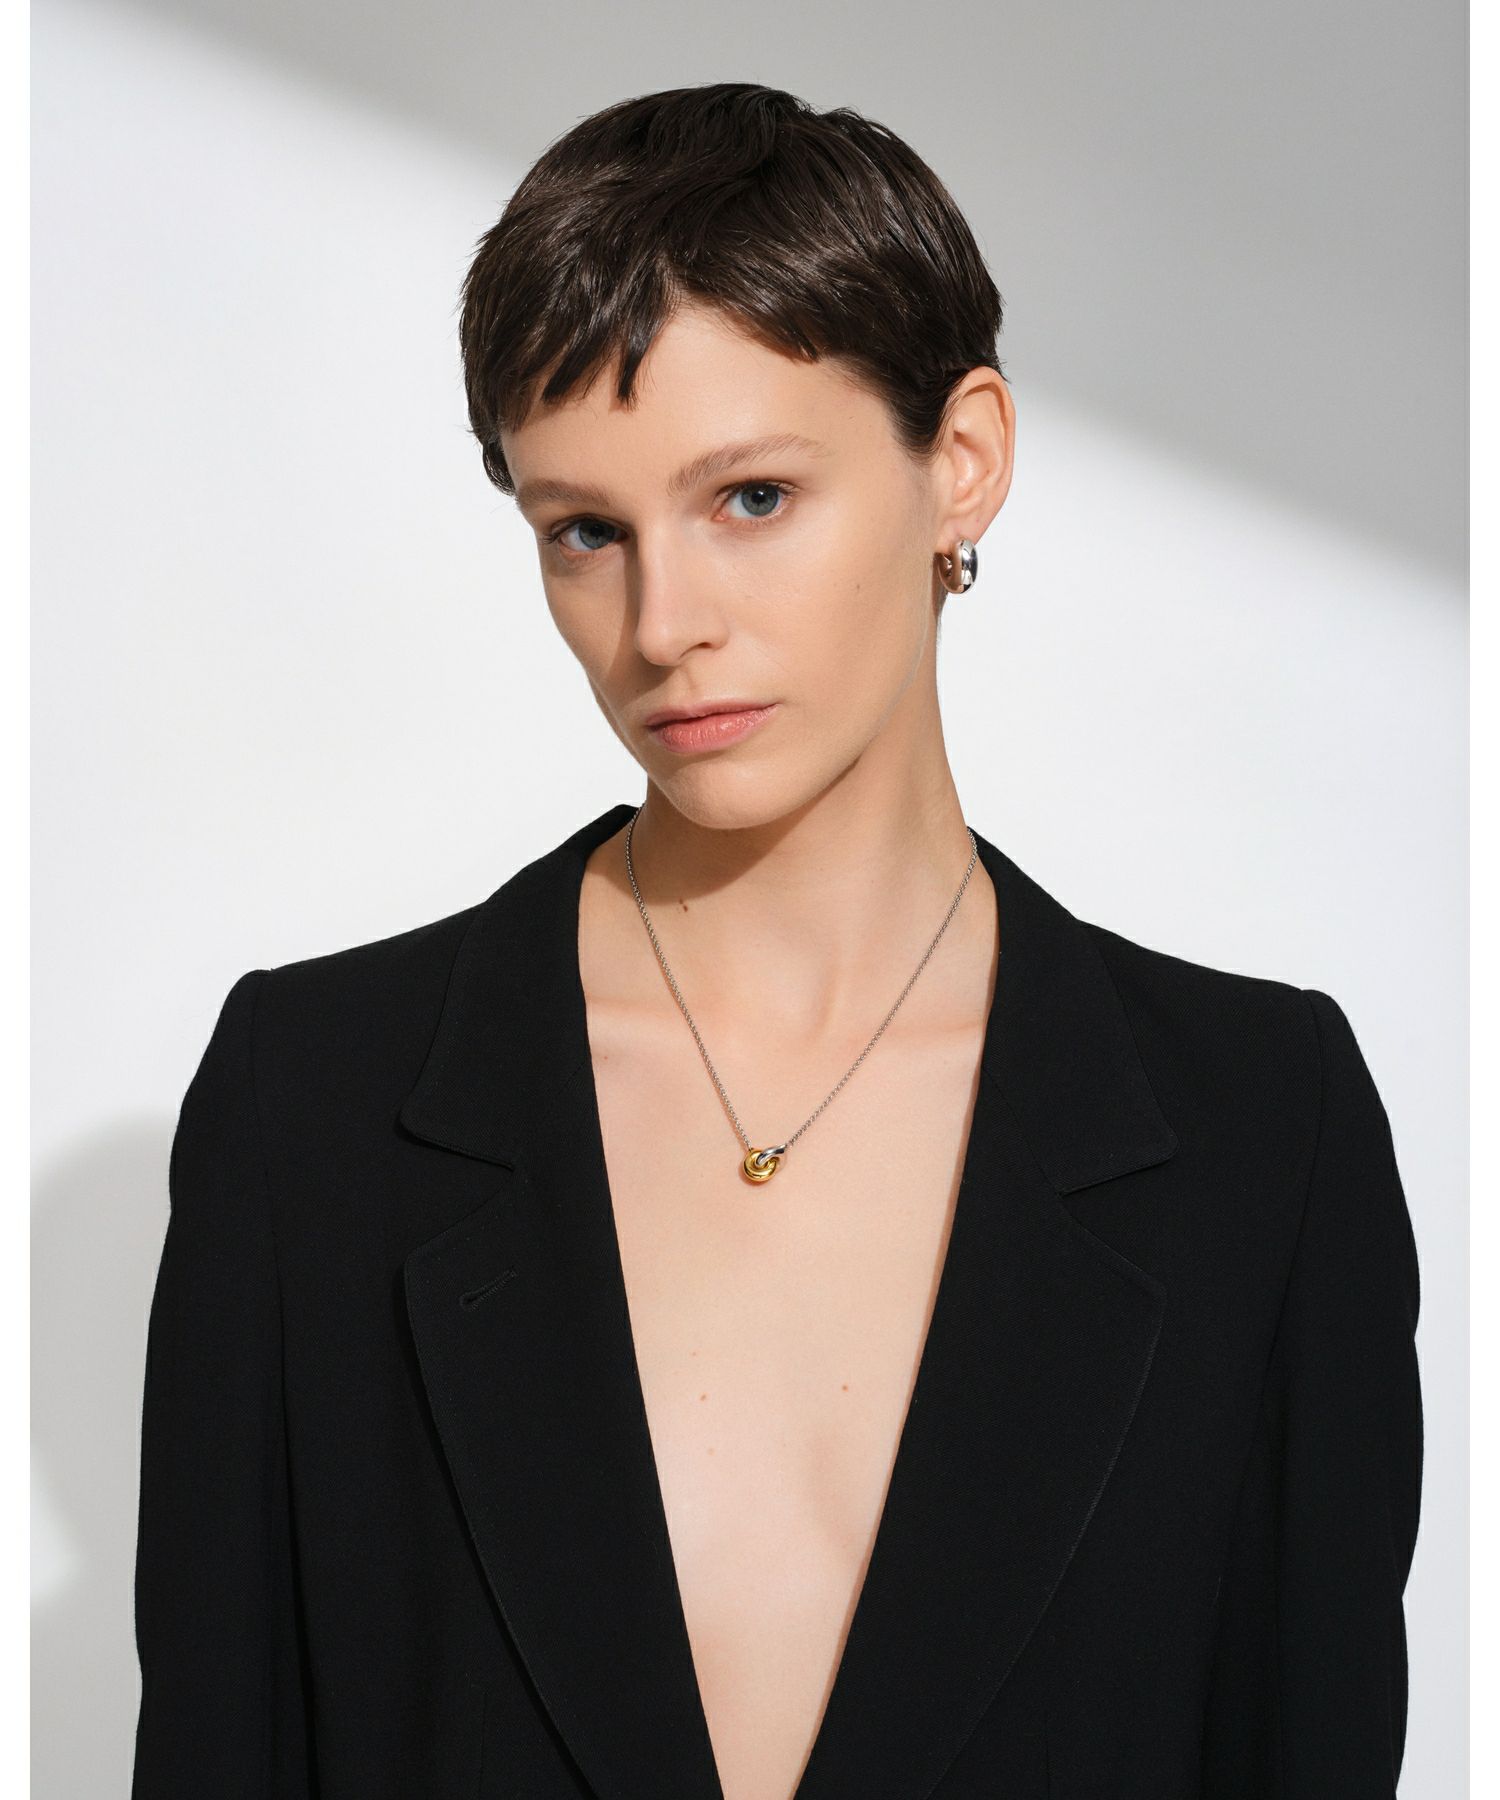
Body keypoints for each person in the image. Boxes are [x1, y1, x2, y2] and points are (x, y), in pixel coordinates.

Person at [130, 82, 1424, 1800]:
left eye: (749, 497)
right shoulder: (315, 1110)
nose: (663, 624)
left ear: (962, 463)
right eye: (585, 531)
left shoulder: (1262, 1129)